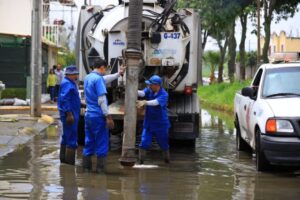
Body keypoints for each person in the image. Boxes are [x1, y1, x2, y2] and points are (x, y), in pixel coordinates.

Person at [83, 58, 125, 173]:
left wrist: (118, 74)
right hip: (98, 116)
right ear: (102, 67)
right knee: (102, 143)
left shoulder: (88, 77)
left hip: (88, 115)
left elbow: (104, 79)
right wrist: (108, 117)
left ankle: (86, 170)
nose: (105, 71)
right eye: (105, 69)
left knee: (89, 141)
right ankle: (100, 173)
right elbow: (102, 100)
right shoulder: (98, 79)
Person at [136, 75, 170, 164]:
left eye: (151, 85)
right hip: (149, 123)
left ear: (157, 85)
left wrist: (145, 102)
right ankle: (141, 162)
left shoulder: (164, 94)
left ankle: (167, 161)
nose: (149, 86)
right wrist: (132, 89)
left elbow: (156, 102)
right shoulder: (149, 90)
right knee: (144, 142)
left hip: (161, 124)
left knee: (163, 144)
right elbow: (142, 93)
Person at [57, 65, 81, 165]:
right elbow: (64, 99)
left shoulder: (70, 82)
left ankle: (63, 161)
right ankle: (70, 165)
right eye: (75, 74)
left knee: (66, 136)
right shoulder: (67, 83)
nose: (76, 75)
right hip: (70, 114)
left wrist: (81, 104)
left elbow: (71, 98)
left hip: (70, 113)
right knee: (71, 138)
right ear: (70, 74)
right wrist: (69, 114)